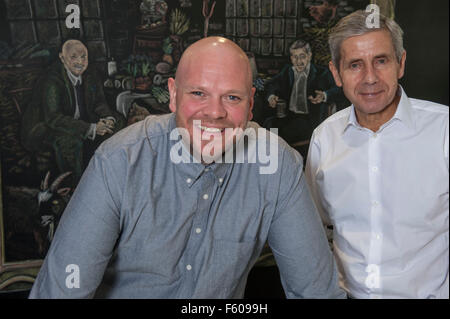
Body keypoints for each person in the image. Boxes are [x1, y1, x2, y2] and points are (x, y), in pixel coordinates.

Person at [29, 37, 345, 299]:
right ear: (173, 95)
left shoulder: (277, 165)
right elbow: (60, 292)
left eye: (231, 97)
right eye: (198, 93)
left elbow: (316, 292)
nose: (215, 112)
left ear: (250, 105)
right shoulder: (118, 161)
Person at [305, 10, 449, 299]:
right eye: (355, 65)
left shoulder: (444, 131)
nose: (369, 78)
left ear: (401, 64)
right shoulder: (324, 138)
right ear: (336, 73)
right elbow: (311, 230)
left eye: (381, 61)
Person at [21, 39, 124, 184]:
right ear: (62, 58)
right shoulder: (52, 79)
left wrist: (108, 118)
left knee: (117, 121)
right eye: (73, 57)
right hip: (44, 127)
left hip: (76, 123)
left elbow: (99, 103)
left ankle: (108, 177)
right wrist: (91, 128)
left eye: (84, 57)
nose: (80, 62)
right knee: (69, 140)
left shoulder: (91, 75)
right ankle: (76, 186)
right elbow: (54, 118)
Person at [264, 39, 344, 146]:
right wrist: (271, 96)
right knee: (268, 125)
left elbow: (340, 89)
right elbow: (271, 83)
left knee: (279, 136)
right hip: (289, 116)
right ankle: (273, 155)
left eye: (302, 56)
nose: (299, 61)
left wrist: (324, 95)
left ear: (309, 56)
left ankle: (279, 153)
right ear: (291, 58)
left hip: (309, 120)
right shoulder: (288, 71)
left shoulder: (322, 73)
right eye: (295, 57)